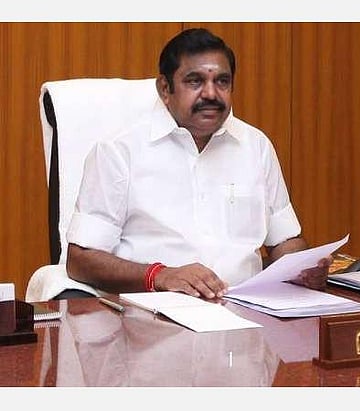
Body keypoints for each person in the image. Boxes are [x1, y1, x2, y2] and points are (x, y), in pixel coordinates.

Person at [64, 28, 330, 300]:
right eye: (195, 81)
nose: (211, 94)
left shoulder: (255, 146)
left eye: (222, 81)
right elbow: (81, 260)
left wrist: (302, 267)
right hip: (152, 311)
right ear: (165, 88)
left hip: (247, 307)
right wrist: (160, 276)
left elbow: (285, 240)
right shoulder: (119, 151)